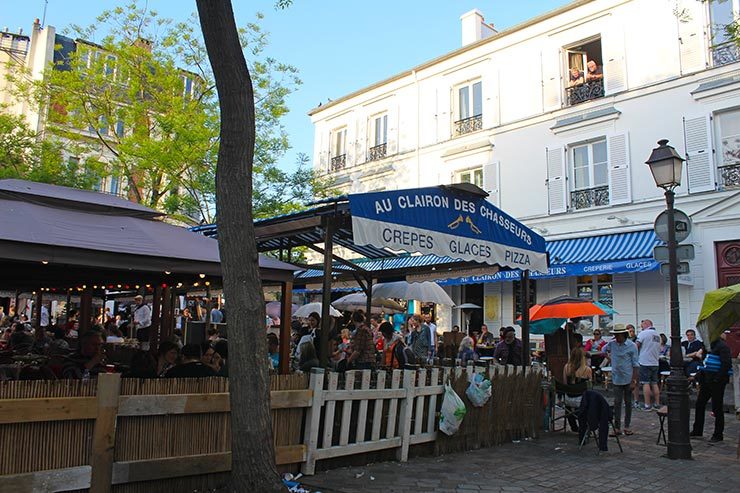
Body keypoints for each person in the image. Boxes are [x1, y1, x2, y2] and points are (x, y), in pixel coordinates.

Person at [690, 331, 732, 442]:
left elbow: (726, 364)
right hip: (706, 379)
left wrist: (717, 378)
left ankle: (718, 434)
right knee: (700, 404)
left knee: (717, 407)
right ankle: (697, 430)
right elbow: (705, 362)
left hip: (717, 381)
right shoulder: (707, 346)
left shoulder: (722, 347)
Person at [603, 324, 639, 436]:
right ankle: (617, 427)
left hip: (628, 377)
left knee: (628, 403)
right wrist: (610, 358)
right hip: (616, 377)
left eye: (618, 335)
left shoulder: (632, 346)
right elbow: (603, 350)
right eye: (615, 335)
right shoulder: (612, 344)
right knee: (617, 402)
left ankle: (627, 426)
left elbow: (635, 365)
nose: (617, 337)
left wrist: (634, 381)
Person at [562, 347, 592, 432]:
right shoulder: (587, 370)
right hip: (581, 400)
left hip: (568, 399)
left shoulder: (566, 367)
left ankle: (573, 426)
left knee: (568, 403)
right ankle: (584, 425)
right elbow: (590, 387)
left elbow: (565, 384)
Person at [636, 319, 662, 411]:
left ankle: (647, 405)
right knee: (654, 383)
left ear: (647, 324)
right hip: (655, 362)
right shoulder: (658, 335)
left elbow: (636, 346)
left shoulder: (643, 334)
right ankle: (657, 403)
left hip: (645, 361)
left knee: (645, 383)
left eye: (642, 325)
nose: (641, 327)